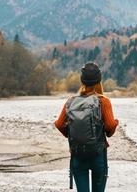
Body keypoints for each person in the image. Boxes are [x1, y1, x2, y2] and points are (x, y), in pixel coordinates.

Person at [54, 62, 119, 192]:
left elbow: (59, 124)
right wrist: (115, 122)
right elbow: (110, 127)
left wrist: (73, 133)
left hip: (77, 154)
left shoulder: (71, 101)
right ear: (99, 81)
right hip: (98, 155)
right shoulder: (103, 101)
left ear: (82, 81)